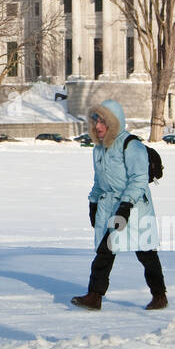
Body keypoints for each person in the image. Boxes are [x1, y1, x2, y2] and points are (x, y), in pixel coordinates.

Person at [71, 99, 168, 311]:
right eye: (95, 122)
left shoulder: (131, 146)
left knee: (146, 253)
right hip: (110, 206)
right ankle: (94, 296)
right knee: (105, 251)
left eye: (103, 122)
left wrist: (125, 208)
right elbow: (99, 181)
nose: (98, 127)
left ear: (114, 123)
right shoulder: (98, 149)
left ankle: (159, 296)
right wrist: (93, 203)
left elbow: (139, 180)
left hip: (135, 208)